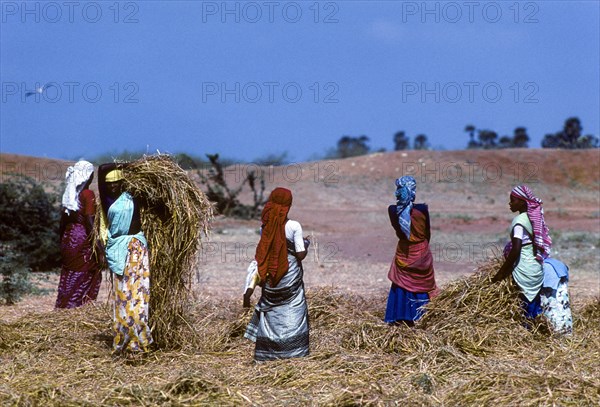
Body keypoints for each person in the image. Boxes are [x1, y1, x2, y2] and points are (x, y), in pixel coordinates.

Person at [244, 187, 310, 361]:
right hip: (290, 278)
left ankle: (268, 352)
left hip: (271, 281)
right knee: (293, 310)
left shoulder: (264, 226)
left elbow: (266, 248)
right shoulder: (294, 226)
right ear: (288, 205)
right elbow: (300, 255)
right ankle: (293, 353)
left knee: (271, 312)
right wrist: (306, 243)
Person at [98, 163, 152, 353]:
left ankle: (139, 341)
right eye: (109, 183)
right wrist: (102, 248)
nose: (112, 186)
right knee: (122, 297)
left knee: (138, 295)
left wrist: (127, 166)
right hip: (117, 251)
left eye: (117, 182)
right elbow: (102, 169)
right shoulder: (106, 201)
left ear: (123, 182)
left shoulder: (133, 196)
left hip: (136, 249)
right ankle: (124, 340)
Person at [492, 185, 552, 319]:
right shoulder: (530, 219)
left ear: (522, 202)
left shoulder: (519, 222)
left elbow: (516, 249)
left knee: (525, 310)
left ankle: (528, 332)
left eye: (513, 200)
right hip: (535, 268)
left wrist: (501, 273)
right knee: (535, 307)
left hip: (524, 269)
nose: (510, 203)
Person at [384, 176, 437, 325]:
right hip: (421, 251)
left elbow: (399, 232)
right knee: (421, 285)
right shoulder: (422, 209)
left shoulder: (392, 210)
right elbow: (427, 233)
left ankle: (399, 316)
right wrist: (423, 249)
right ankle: (421, 315)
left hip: (404, 251)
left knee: (401, 283)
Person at [55, 160, 102, 309]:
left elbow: (62, 223)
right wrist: (98, 245)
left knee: (70, 274)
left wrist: (62, 242)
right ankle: (74, 309)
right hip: (82, 239)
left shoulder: (69, 195)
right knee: (86, 272)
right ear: (88, 176)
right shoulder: (87, 194)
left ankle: (63, 306)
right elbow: (89, 220)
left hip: (68, 239)